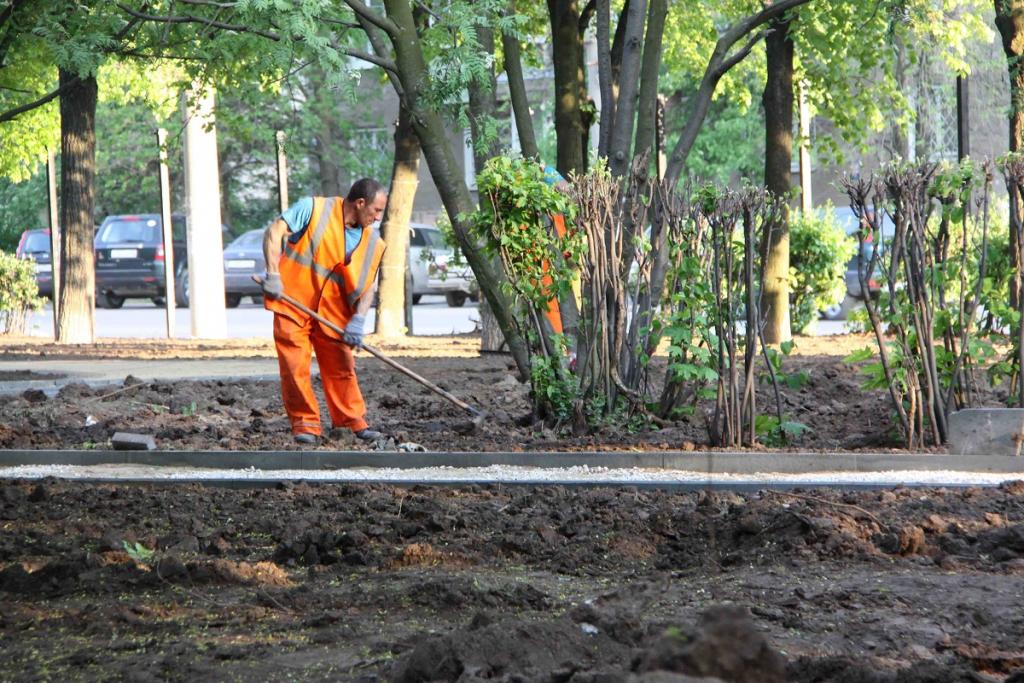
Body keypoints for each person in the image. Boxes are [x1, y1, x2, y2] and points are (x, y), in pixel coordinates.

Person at [261, 178, 388, 446]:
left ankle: (351, 422)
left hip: (333, 314)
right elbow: (274, 231)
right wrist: (273, 274)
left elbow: (368, 285)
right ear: (360, 203)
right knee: (295, 366)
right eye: (376, 211)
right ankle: (305, 424)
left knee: (342, 366)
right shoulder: (313, 209)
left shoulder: (373, 242)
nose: (378, 218)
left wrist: (360, 319)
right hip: (293, 303)